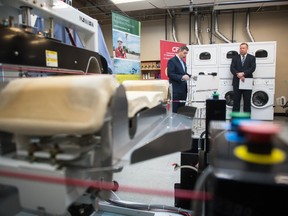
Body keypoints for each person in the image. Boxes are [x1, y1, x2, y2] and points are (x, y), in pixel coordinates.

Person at [230, 42, 256, 114]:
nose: (242, 49)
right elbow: (232, 68)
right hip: (237, 82)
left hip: (247, 81)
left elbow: (252, 68)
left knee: (247, 101)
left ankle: (246, 120)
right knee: (236, 101)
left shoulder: (252, 58)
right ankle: (235, 119)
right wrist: (239, 75)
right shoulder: (235, 58)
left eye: (243, 48)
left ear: (247, 49)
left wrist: (243, 73)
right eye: (240, 48)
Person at [167, 46, 190, 113]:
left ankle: (180, 123)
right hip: (176, 90)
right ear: (179, 51)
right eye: (184, 53)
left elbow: (183, 73)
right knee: (175, 109)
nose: (185, 55)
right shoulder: (172, 61)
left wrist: (190, 76)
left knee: (182, 109)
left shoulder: (183, 62)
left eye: (186, 54)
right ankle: (174, 123)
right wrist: (181, 77)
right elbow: (170, 74)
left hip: (183, 90)